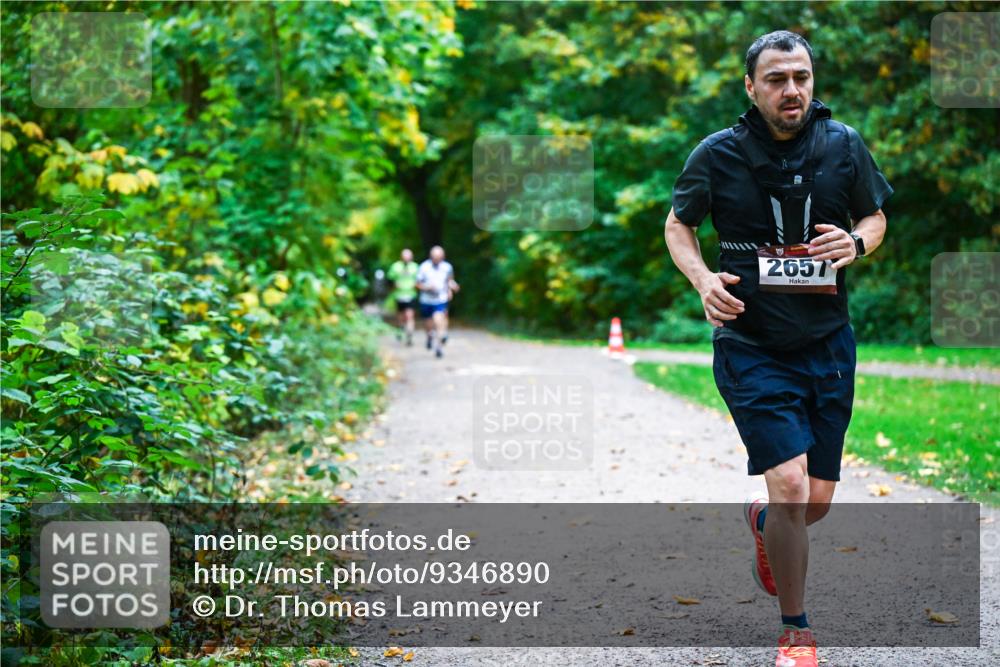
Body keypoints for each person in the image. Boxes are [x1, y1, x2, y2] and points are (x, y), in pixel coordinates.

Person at [664, 31, 892, 667]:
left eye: (801, 76)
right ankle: (797, 633)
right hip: (751, 341)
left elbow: (874, 216)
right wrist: (703, 279)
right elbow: (678, 223)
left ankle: (765, 525)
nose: (791, 90)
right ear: (750, 87)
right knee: (789, 484)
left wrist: (857, 242)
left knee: (812, 502)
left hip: (827, 342)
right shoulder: (717, 154)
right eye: (775, 79)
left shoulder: (843, 145)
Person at [416, 245, 459, 359]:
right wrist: (427, 287)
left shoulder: (447, 267)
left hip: (440, 299)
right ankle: (430, 336)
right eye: (435, 257)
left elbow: (450, 280)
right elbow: (417, 284)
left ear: (443, 257)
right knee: (429, 324)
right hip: (426, 299)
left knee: (439, 320)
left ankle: (439, 346)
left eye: (439, 257)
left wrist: (452, 287)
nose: (437, 259)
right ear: (431, 256)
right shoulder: (424, 267)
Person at [387, 249, 419, 346]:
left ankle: (409, 334)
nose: (406, 259)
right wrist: (393, 284)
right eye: (405, 256)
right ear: (401, 257)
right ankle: (400, 328)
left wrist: (416, 285)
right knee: (400, 316)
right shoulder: (395, 266)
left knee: (409, 315)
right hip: (399, 295)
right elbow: (389, 279)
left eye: (408, 256)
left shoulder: (415, 267)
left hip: (411, 294)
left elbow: (420, 279)